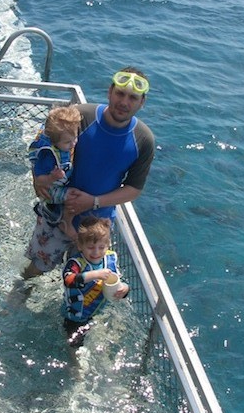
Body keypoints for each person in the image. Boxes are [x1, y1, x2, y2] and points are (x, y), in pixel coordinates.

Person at [20, 66, 155, 283]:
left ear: (142, 102)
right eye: (120, 93)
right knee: (36, 267)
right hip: (56, 213)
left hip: (95, 228)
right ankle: (17, 296)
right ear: (109, 92)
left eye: (133, 97)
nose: (124, 102)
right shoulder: (80, 115)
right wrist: (39, 179)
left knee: (84, 282)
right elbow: (42, 148)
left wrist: (93, 201)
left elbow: (133, 190)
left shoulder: (143, 139)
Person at [61, 216, 129, 347]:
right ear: (80, 246)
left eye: (101, 247)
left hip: (98, 311)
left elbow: (120, 281)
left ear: (108, 244)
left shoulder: (110, 258)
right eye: (91, 247)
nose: (96, 252)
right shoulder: (76, 263)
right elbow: (69, 280)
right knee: (75, 344)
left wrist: (125, 289)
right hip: (75, 317)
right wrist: (95, 274)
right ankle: (75, 365)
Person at [28, 104, 81, 238]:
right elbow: (40, 180)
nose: (73, 143)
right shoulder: (49, 157)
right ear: (54, 142)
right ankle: (65, 222)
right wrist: (52, 177)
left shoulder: (67, 143)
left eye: (75, 137)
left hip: (62, 182)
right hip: (50, 189)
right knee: (73, 196)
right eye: (67, 142)